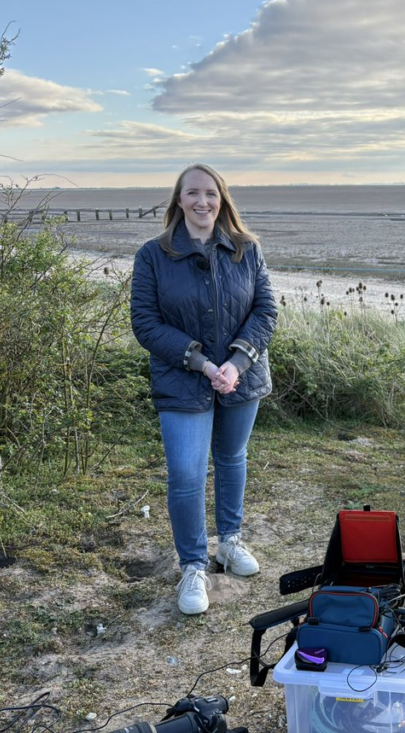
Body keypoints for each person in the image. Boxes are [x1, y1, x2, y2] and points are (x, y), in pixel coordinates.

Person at [130, 164, 278, 615]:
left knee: (232, 458)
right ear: (178, 200)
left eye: (210, 193)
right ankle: (194, 564)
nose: (202, 202)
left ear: (223, 199)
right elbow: (145, 323)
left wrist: (235, 363)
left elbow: (266, 309)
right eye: (192, 193)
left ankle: (229, 542)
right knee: (187, 475)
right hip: (181, 378)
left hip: (241, 376)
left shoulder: (246, 250)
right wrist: (200, 361)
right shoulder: (153, 255)